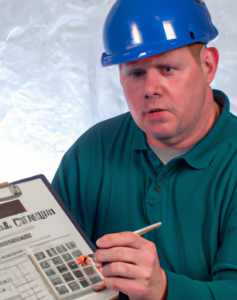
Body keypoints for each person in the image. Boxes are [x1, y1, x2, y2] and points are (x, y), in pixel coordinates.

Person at [52, 0, 237, 299]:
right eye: (136, 73)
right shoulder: (91, 152)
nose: (150, 88)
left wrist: (163, 289)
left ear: (208, 66)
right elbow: (54, 268)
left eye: (167, 68)